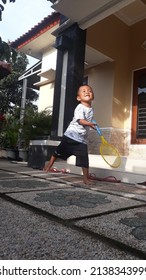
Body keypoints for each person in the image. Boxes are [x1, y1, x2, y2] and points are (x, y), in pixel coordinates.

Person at [44, 84, 97, 184]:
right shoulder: (80, 107)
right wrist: (89, 123)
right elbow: (80, 121)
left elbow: (87, 119)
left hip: (81, 140)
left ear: (93, 95)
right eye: (84, 91)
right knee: (58, 152)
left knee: (84, 159)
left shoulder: (91, 109)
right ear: (78, 98)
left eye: (89, 90)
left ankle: (86, 178)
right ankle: (48, 165)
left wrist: (91, 123)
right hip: (71, 136)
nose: (87, 92)